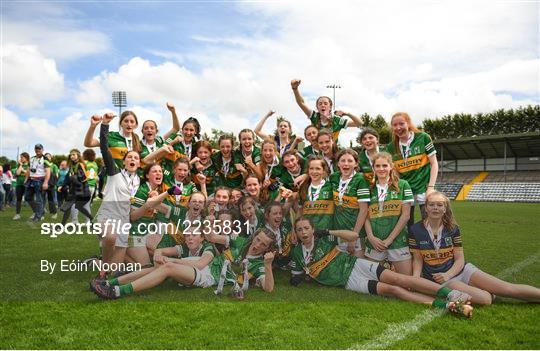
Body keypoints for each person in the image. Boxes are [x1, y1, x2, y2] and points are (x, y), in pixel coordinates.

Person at [290, 216, 473, 317]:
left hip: (356, 265)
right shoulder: (297, 253)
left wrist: (327, 231)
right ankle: (447, 305)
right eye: (300, 229)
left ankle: (450, 293)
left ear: (312, 229)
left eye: (307, 228)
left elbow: (353, 236)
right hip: (349, 282)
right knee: (393, 290)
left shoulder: (324, 238)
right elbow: (296, 277)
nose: (304, 232)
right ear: (296, 233)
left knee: (399, 278)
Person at [410, 191, 540, 304]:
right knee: (485, 299)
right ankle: (489, 291)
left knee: (508, 289)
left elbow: (460, 259)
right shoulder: (415, 230)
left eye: (439, 205)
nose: (435, 208)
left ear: (445, 209)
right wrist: (415, 280)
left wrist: (448, 274)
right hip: (441, 280)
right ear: (425, 208)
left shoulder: (453, 228)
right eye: (431, 204)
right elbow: (417, 260)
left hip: (460, 270)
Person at [91, 225, 217, 299]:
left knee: (168, 266)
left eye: (194, 235)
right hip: (190, 274)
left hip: (207, 277)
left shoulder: (208, 247)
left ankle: (117, 291)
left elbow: (201, 264)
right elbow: (161, 250)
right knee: (159, 267)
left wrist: (169, 259)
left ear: (202, 238)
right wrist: (158, 256)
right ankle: (108, 283)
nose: (190, 238)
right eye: (187, 235)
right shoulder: (184, 248)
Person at [361, 152, 414, 275]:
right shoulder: (369, 188)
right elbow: (365, 215)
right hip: (375, 242)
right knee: (374, 279)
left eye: (384, 165)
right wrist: (370, 237)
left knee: (407, 282)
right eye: (377, 166)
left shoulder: (403, 185)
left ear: (391, 166)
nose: (381, 169)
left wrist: (390, 239)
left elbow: (406, 216)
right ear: (373, 168)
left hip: (398, 241)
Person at [386, 112, 438, 229]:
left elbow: (434, 163)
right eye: (394, 125)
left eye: (401, 124)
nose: (398, 127)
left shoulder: (423, 137)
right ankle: (411, 247)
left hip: (424, 189)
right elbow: (395, 172)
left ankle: (431, 247)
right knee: (407, 226)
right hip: (406, 190)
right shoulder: (390, 147)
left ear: (408, 124)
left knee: (430, 224)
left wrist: (431, 187)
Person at [290, 79, 362, 143]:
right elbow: (301, 103)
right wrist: (295, 89)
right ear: (317, 107)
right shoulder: (314, 116)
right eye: (320, 104)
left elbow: (359, 124)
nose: (323, 105)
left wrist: (347, 114)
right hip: (318, 151)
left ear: (330, 107)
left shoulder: (337, 120)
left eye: (325, 103)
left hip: (332, 153)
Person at [330, 149, 370, 257]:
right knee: (342, 267)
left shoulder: (360, 179)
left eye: (350, 161)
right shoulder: (334, 177)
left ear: (356, 163)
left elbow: (364, 210)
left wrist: (354, 236)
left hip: (355, 231)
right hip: (338, 230)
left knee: (357, 266)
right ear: (338, 163)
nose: (346, 164)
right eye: (343, 160)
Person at [298, 156, 334, 234]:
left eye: (318, 169)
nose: (314, 172)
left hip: (326, 233)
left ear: (324, 171)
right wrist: (295, 229)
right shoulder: (303, 187)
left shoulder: (331, 186)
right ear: (308, 170)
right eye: (311, 168)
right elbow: (300, 211)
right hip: (307, 233)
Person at [58, 149, 94, 225]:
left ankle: (91, 219)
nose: (72, 156)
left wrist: (73, 177)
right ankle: (62, 226)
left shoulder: (81, 165)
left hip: (82, 191)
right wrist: (62, 185)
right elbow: (67, 178)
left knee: (79, 207)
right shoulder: (71, 166)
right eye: (71, 155)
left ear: (78, 155)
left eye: (73, 154)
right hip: (74, 191)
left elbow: (84, 178)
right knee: (68, 208)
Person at [24, 143, 51, 222]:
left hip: (40, 180)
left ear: (42, 150)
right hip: (31, 180)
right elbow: (29, 169)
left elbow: (48, 171)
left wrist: (46, 182)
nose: (37, 150)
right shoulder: (32, 158)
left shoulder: (45, 159)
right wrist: (26, 178)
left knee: (39, 199)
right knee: (27, 197)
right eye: (36, 148)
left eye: (39, 149)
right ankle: (40, 211)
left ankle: (38, 216)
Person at [13, 153, 29, 220]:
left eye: (22, 157)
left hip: (27, 184)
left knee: (28, 198)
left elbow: (28, 173)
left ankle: (36, 213)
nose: (21, 158)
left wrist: (23, 170)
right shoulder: (19, 165)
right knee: (18, 199)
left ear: (26, 158)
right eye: (20, 157)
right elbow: (17, 173)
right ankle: (17, 214)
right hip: (19, 184)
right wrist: (21, 165)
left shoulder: (30, 165)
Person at [43, 153, 59, 218]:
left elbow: (57, 175)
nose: (47, 157)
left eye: (49, 156)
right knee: (42, 199)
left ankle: (54, 213)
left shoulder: (54, 165)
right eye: (46, 156)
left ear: (51, 158)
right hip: (43, 184)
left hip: (51, 185)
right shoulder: (42, 164)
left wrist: (52, 182)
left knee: (51, 199)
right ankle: (41, 213)